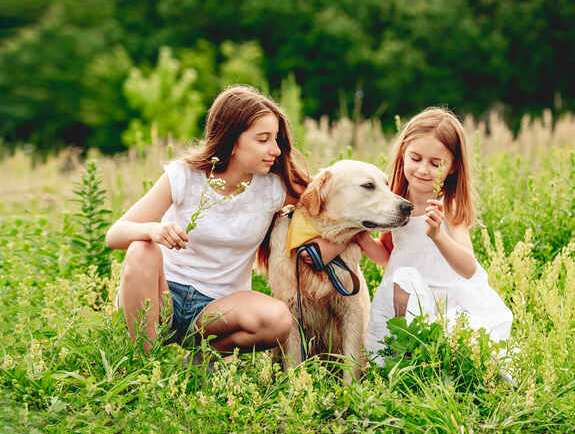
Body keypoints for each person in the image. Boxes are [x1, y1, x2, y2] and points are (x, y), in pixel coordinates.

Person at [106, 85, 343, 355]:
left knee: (278, 320)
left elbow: (339, 206)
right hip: (164, 296)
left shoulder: (274, 188)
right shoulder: (185, 175)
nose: (276, 149)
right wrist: (155, 230)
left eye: (276, 139)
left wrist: (332, 247)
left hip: (218, 309)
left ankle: (199, 363)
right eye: (263, 139)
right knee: (140, 249)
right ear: (232, 140)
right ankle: (144, 365)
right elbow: (115, 234)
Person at [355, 107, 513, 364]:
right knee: (403, 279)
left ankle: (431, 359)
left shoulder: (447, 206)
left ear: (452, 168)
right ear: (403, 154)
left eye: (435, 164)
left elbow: (468, 268)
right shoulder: (397, 203)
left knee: (459, 353)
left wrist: (438, 235)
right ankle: (404, 357)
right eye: (415, 158)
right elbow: (387, 256)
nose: (423, 170)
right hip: (406, 301)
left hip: (447, 301)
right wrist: (361, 237)